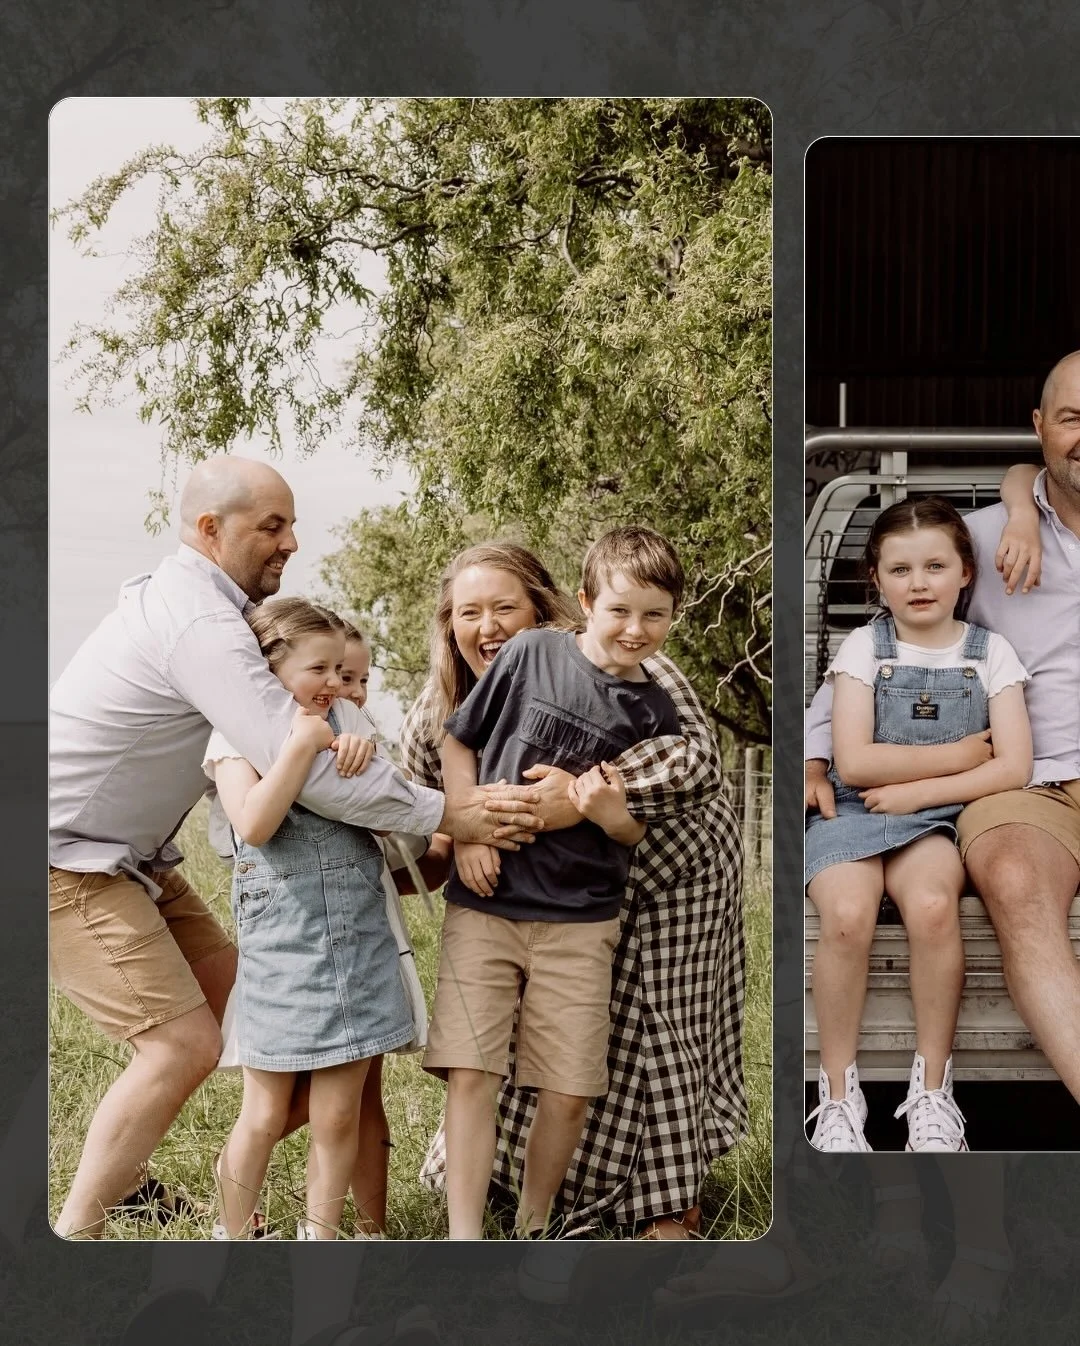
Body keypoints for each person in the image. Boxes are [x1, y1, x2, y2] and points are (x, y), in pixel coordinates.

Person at [48, 455, 543, 1240]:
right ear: (211, 530)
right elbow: (306, 777)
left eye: (291, 524)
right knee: (183, 1045)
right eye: (271, 527)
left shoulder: (210, 612)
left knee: (265, 1033)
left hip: (138, 860)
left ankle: (158, 1182)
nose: (291, 543)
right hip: (69, 859)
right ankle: (77, 1235)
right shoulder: (201, 623)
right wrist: (455, 814)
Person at [398, 542, 746, 1262]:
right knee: (488, 1062)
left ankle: (657, 1198)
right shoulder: (446, 697)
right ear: (448, 623)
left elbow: (693, 762)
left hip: (665, 877)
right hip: (507, 899)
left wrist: (581, 799)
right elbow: (427, 792)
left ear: (544, 607)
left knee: (630, 1044)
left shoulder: (634, 666)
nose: (488, 627)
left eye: (505, 608)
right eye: (470, 613)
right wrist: (461, 830)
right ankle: (496, 1207)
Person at [804, 497, 1032, 1152]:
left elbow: (1013, 766)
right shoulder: (861, 650)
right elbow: (855, 760)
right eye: (900, 570)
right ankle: (840, 1096)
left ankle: (932, 1092)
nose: (919, 583)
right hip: (853, 808)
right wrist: (958, 756)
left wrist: (926, 791)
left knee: (934, 908)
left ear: (966, 572)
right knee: (846, 914)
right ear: (875, 579)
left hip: (934, 817)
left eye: (936, 565)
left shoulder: (992, 654)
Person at [205, 597, 416, 1240]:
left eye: (340, 668)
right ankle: (234, 1233)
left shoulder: (348, 722)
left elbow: (388, 815)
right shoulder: (234, 738)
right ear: (269, 668)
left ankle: (319, 1236)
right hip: (286, 947)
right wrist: (302, 748)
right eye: (318, 668)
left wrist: (359, 756)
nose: (333, 682)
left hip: (357, 941)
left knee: (339, 1114)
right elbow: (256, 823)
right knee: (265, 1113)